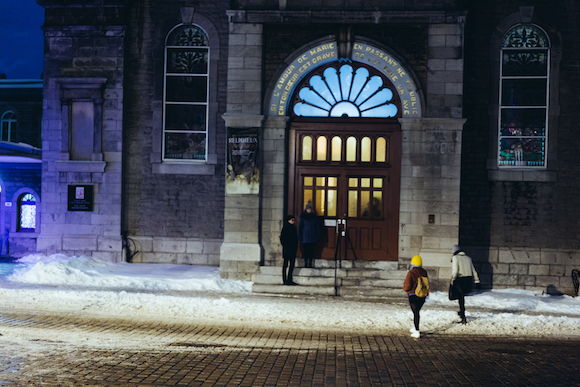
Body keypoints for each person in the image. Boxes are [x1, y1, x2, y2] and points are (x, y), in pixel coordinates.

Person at [450, 244, 480, 324]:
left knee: (459, 297)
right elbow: (473, 270)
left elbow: (455, 270)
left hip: (460, 279)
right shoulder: (468, 258)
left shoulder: (455, 258)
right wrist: (477, 281)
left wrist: (453, 280)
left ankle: (463, 316)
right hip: (468, 279)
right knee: (461, 297)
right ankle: (461, 313)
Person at [403, 255, 428, 339]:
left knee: (416, 312)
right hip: (422, 295)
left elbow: (407, 286)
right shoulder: (424, 272)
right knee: (416, 312)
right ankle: (415, 327)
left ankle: (417, 330)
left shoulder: (411, 272)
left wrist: (406, 290)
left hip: (413, 295)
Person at [298, 203, 320, 268]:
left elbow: (317, 227)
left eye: (310, 209)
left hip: (312, 236)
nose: (309, 210)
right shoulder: (303, 217)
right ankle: (305, 263)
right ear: (306, 209)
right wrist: (300, 236)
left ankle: (310, 263)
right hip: (305, 237)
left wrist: (317, 235)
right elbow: (300, 227)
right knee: (305, 251)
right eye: (308, 209)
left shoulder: (314, 217)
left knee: (311, 251)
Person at [279, 215, 298, 285]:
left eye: (294, 220)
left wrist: (296, 247)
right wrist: (286, 245)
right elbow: (282, 238)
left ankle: (290, 279)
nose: (293, 222)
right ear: (288, 220)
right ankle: (284, 280)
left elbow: (295, 238)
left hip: (293, 249)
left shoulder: (294, 228)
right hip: (287, 249)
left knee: (292, 264)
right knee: (285, 264)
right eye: (292, 220)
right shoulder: (285, 228)